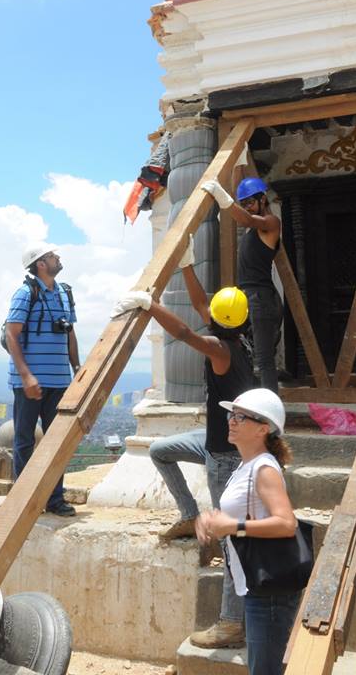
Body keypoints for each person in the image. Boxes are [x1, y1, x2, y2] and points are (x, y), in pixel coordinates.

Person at [111, 243, 254, 650]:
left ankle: (230, 623)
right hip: (211, 440)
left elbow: (184, 331)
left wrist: (150, 304)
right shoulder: (234, 337)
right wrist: (189, 265)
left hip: (225, 456)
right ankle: (190, 517)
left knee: (230, 538)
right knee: (159, 451)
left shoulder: (220, 349)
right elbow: (199, 304)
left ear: (222, 322)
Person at [196, 388, 298, 675]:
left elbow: (286, 523)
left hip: (270, 590)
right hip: (256, 584)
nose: (232, 420)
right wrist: (216, 520)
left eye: (241, 417)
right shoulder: (246, 465)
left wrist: (232, 526)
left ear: (263, 428)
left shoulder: (264, 468)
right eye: (232, 415)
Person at [5, 242, 80, 516]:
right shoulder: (25, 293)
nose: (57, 257)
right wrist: (26, 376)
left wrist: (77, 367)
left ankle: (54, 499)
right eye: (52, 255)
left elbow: (69, 332)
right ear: (40, 264)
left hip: (59, 380)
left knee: (55, 441)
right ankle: (25, 501)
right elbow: (12, 334)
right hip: (29, 382)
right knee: (24, 440)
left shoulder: (64, 293)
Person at [202, 177, 283, 393]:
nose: (247, 206)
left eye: (249, 202)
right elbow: (247, 219)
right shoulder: (252, 230)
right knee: (244, 353)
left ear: (263, 199)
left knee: (264, 360)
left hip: (261, 298)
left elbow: (247, 220)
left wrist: (223, 198)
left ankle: (270, 412)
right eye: (243, 203)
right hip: (247, 298)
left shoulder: (271, 223)